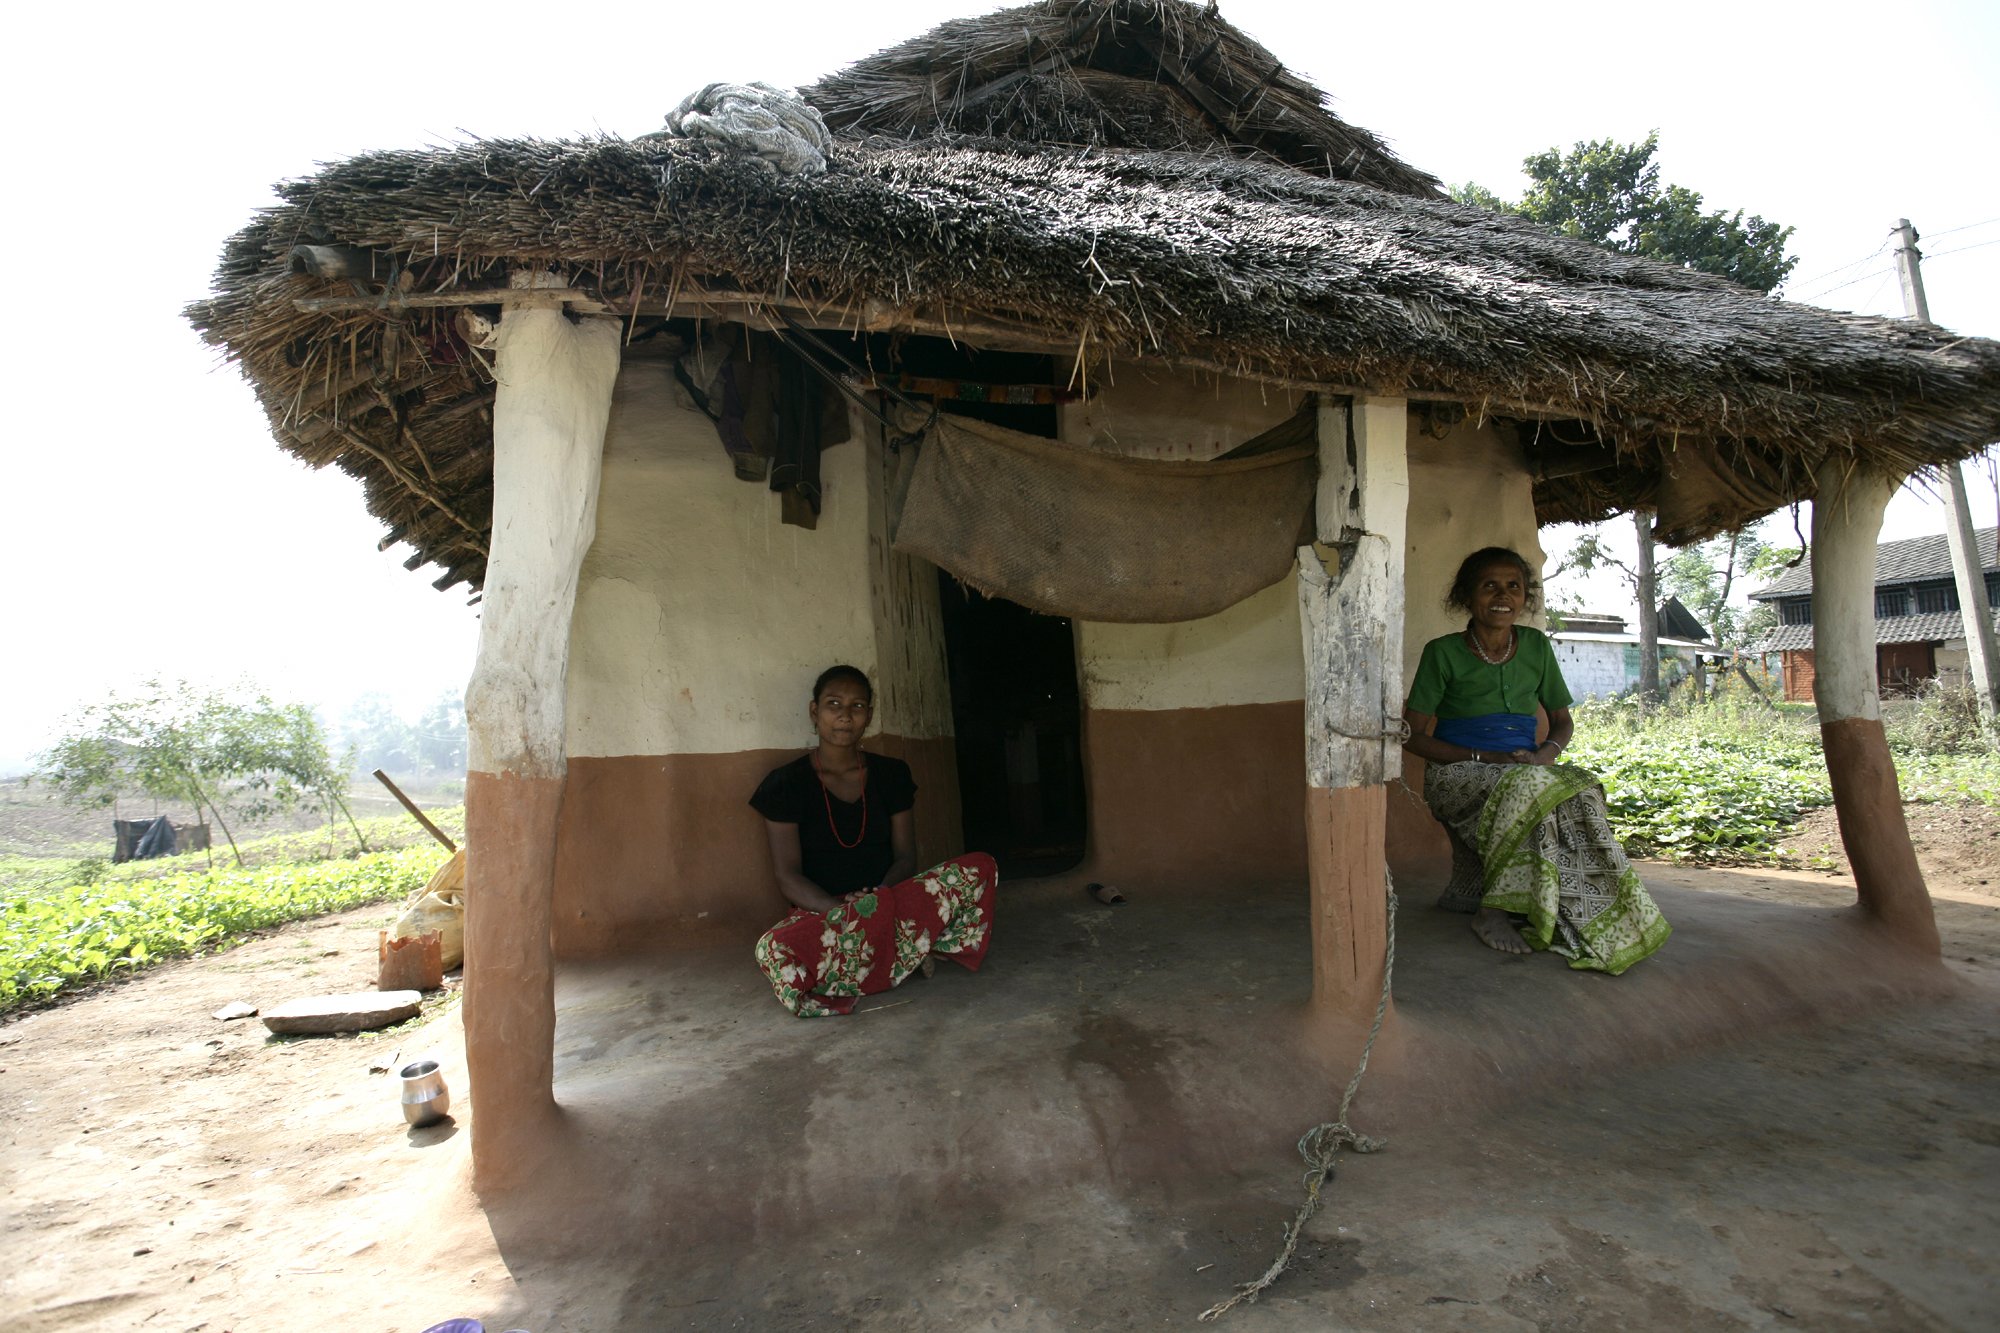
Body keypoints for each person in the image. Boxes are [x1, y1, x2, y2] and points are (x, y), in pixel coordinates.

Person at [1401, 548, 1671, 974]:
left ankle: (1590, 909)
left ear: (1526, 596)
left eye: (1514, 586)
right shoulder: (1443, 652)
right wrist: (1483, 756)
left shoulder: (1536, 647)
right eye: (1489, 585)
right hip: (1457, 774)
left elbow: (1562, 722)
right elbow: (1410, 735)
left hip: (1525, 769)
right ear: (1467, 596)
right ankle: (1492, 910)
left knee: (1580, 787)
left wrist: (1547, 755)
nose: (1502, 595)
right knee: (1530, 787)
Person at [750, 665, 998, 1016]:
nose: (845, 716)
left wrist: (878, 899)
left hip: (888, 901)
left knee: (979, 867)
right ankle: (904, 954)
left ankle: (871, 960)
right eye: (834, 704)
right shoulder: (785, 784)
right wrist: (845, 913)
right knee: (772, 949)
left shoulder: (891, 774)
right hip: (827, 915)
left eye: (858, 706)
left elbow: (905, 856)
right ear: (814, 711)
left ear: (868, 714)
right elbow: (787, 876)